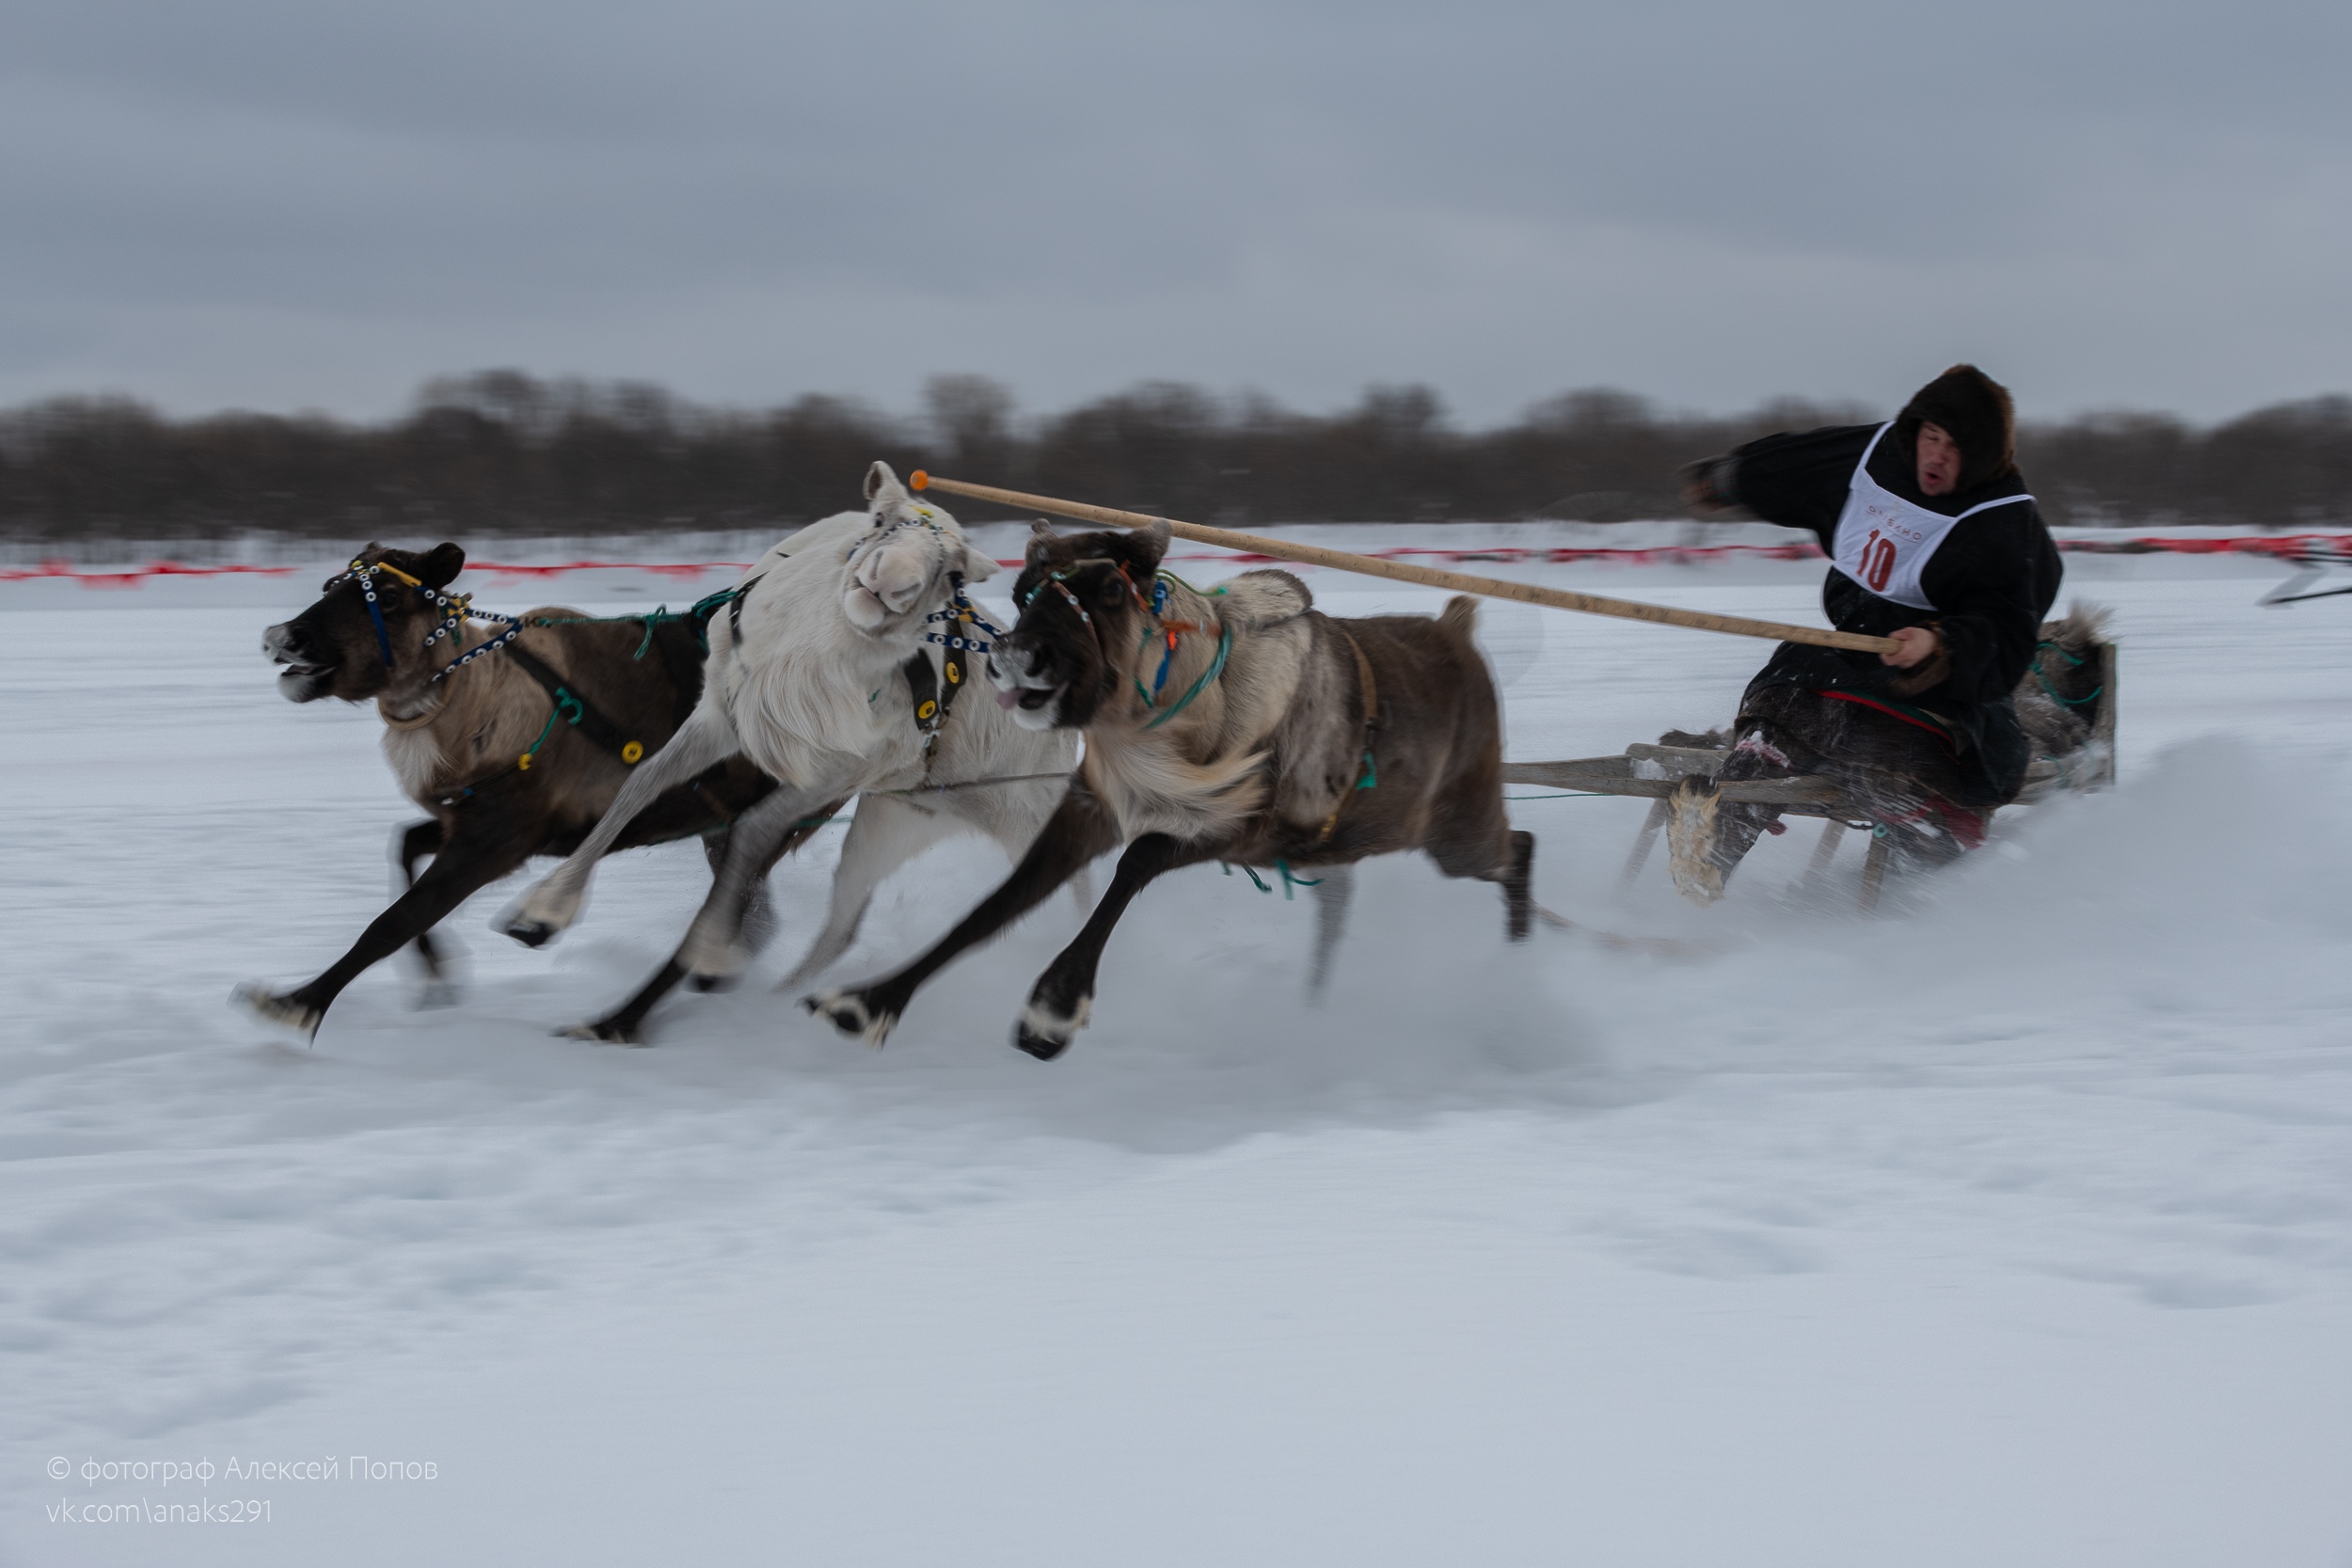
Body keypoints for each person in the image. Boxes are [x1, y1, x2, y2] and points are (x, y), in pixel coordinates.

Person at [1671, 364, 2062, 900]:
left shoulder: (2004, 521)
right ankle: (1714, 845)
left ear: (1985, 456)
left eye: (1955, 447)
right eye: (1931, 438)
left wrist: (1941, 644)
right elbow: (1799, 465)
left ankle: (1918, 894)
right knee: (1787, 688)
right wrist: (1730, 479)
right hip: (1851, 654)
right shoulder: (1880, 454)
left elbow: (2008, 632)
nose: (1936, 456)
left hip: (1940, 692)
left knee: (1875, 747)